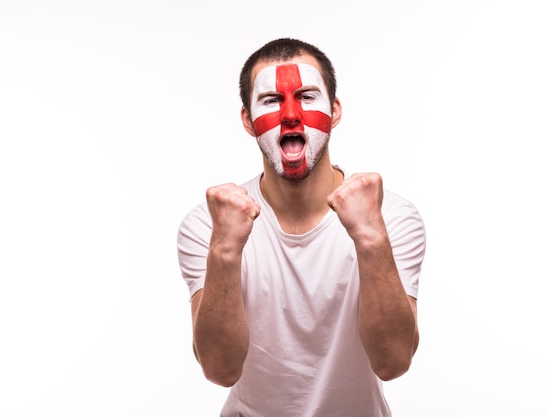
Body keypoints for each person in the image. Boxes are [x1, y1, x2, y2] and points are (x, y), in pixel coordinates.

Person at [177, 37, 426, 417]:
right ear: (247, 119)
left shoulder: (391, 216)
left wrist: (371, 238)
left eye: (307, 96)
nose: (291, 115)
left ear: (336, 110)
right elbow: (219, 369)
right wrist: (225, 251)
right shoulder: (208, 224)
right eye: (272, 100)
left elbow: (393, 362)